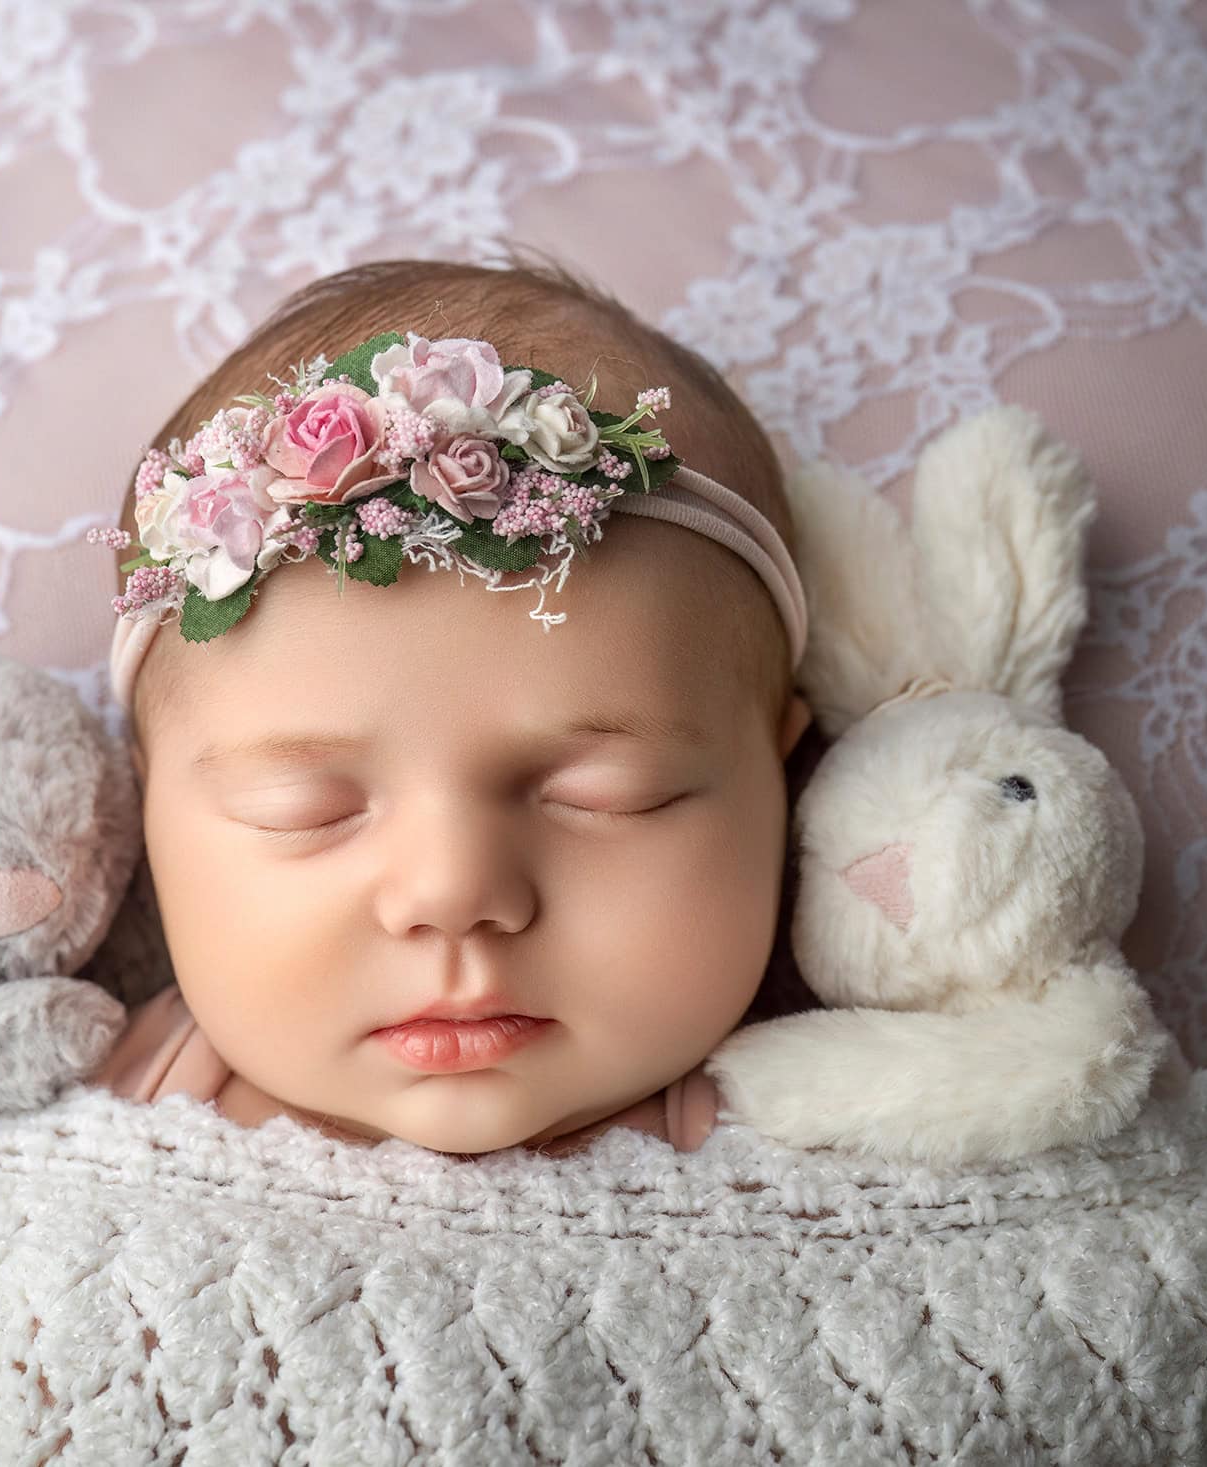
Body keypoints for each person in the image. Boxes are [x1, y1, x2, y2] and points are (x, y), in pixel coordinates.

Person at [90, 254, 813, 1159]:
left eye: (607, 795)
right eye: (303, 808)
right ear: (142, 802)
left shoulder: (822, 1149)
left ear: (782, 771)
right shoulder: (91, 1122)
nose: (453, 891)